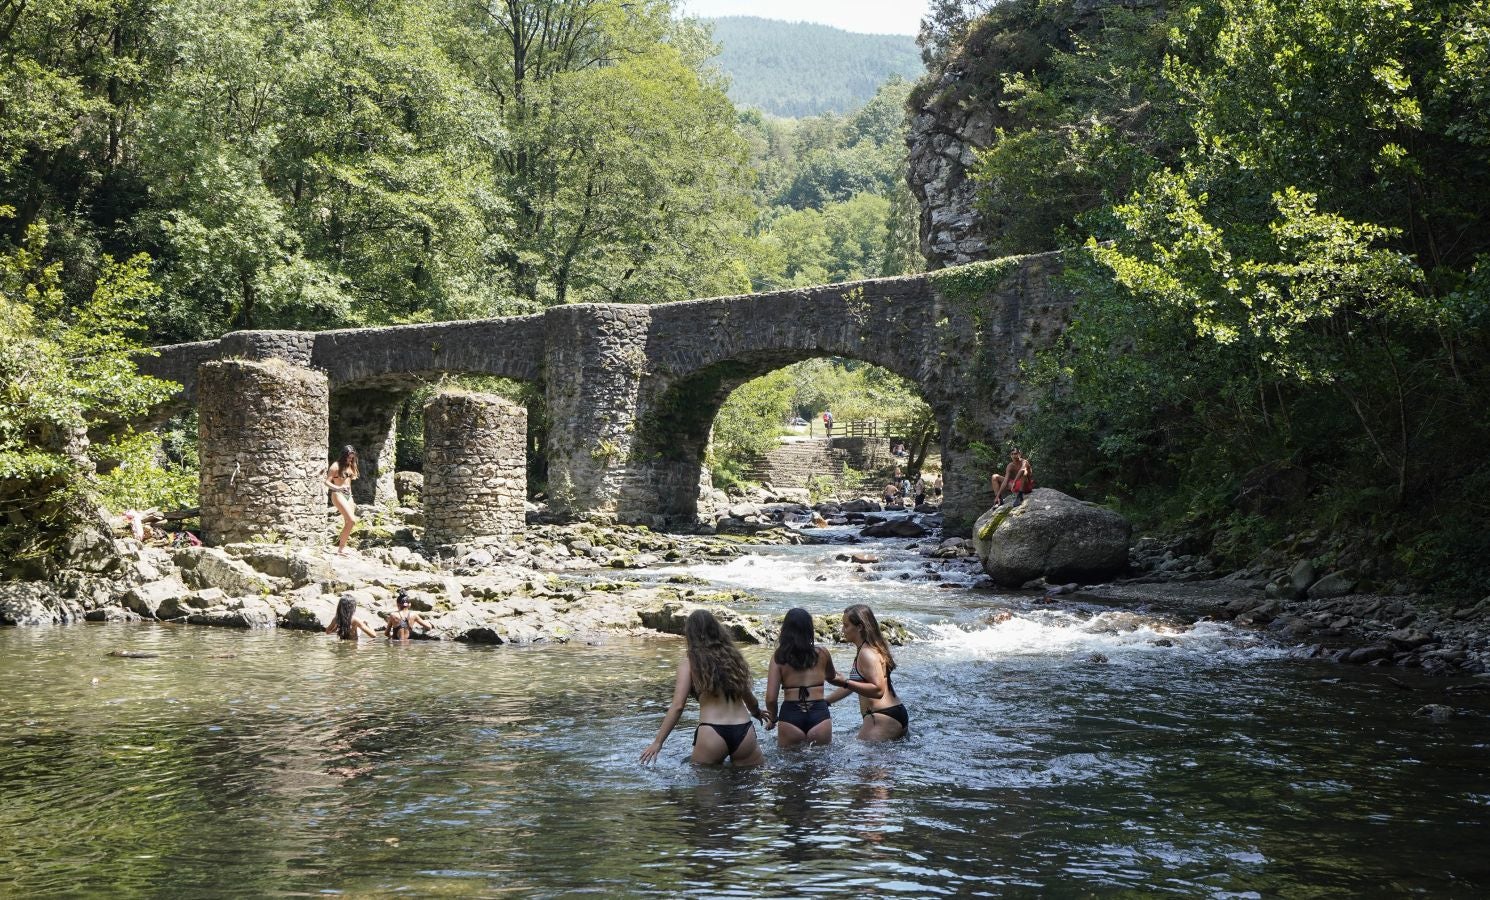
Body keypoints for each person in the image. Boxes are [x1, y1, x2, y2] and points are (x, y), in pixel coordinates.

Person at [640, 609, 767, 766]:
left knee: (704, 786)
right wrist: (757, 712)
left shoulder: (690, 663)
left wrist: (658, 742)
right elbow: (748, 696)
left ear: (691, 634)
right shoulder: (733, 658)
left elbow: (678, 706)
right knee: (748, 787)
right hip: (744, 730)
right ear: (717, 630)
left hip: (712, 732)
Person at [827, 604, 908, 741]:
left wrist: (845, 682)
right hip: (892, 714)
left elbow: (878, 690)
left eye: (846, 626)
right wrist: (826, 701)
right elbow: (857, 684)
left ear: (859, 627)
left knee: (869, 763)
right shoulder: (869, 648)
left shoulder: (866, 653)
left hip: (882, 717)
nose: (842, 630)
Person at [764, 608, 837, 748]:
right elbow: (831, 676)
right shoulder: (822, 653)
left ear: (785, 630)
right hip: (819, 715)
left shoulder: (779, 657)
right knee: (822, 766)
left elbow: (771, 698)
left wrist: (773, 719)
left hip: (791, 716)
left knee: (789, 768)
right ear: (809, 629)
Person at [325, 446, 359, 554]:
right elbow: (326, 482)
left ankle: (341, 548)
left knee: (349, 522)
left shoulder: (351, 465)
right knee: (352, 520)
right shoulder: (335, 466)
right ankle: (340, 547)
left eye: (352, 458)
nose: (350, 460)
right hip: (338, 493)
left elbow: (350, 480)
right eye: (349, 458)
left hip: (349, 495)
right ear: (344, 456)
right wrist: (337, 488)